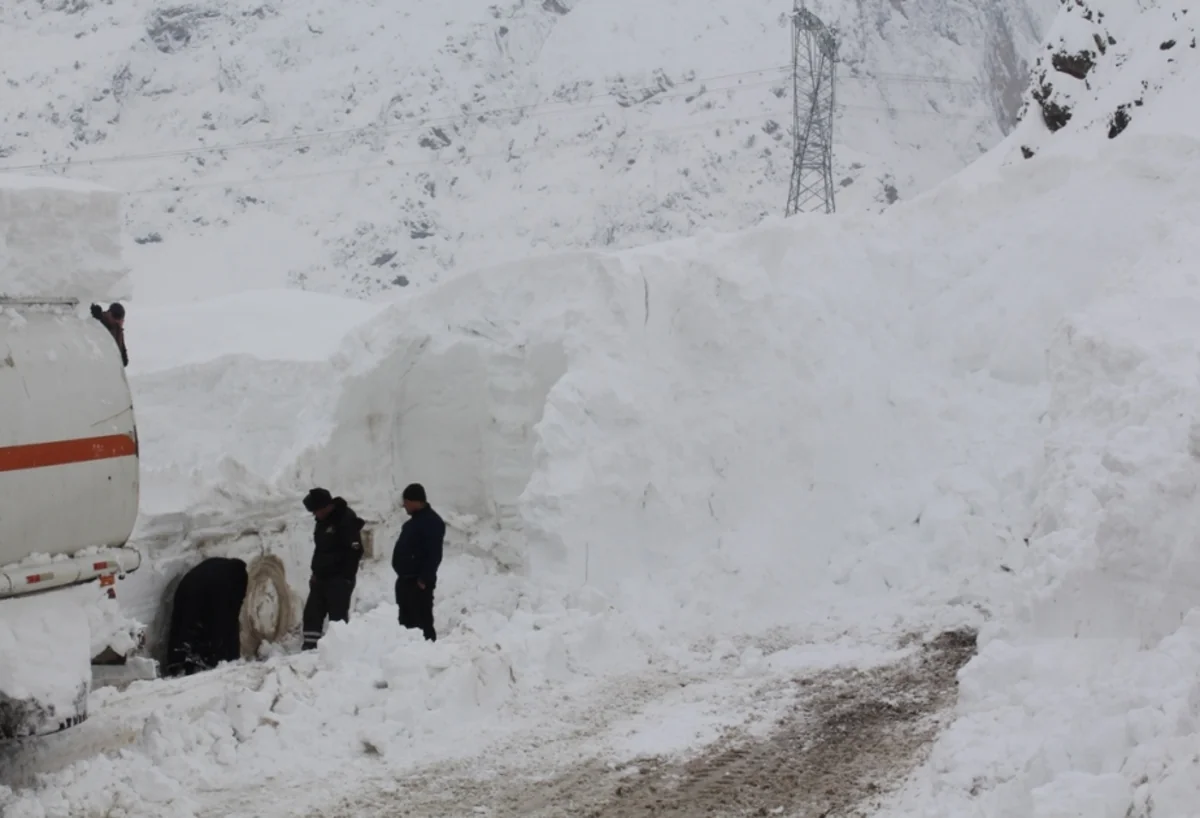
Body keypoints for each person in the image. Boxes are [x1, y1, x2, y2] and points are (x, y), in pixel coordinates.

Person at [301, 487, 366, 650]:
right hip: (321, 577)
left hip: (339, 578)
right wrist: (315, 572)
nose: (315, 515)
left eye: (316, 511)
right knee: (312, 613)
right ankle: (310, 647)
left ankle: (337, 650)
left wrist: (346, 577)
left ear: (325, 506)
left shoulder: (345, 519)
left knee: (337, 617)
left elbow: (355, 550)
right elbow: (321, 549)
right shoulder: (322, 522)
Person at [164, 557, 249, 677]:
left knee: (182, 624)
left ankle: (177, 662)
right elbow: (227, 621)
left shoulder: (222, 567)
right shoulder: (235, 581)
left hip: (185, 586)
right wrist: (231, 657)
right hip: (201, 591)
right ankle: (198, 662)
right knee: (215, 626)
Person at [391, 483, 445, 642]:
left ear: (416, 501)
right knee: (406, 623)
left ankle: (428, 653)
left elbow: (434, 553)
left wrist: (424, 578)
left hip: (418, 584)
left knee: (421, 622)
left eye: (406, 501)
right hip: (406, 581)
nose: (404, 505)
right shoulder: (413, 523)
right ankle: (409, 654)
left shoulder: (431, 522)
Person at [90, 301, 128, 367]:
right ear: (109, 313)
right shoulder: (99, 319)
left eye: (119, 318)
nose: (116, 321)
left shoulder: (118, 331)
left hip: (110, 366)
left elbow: (124, 360)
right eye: (115, 317)